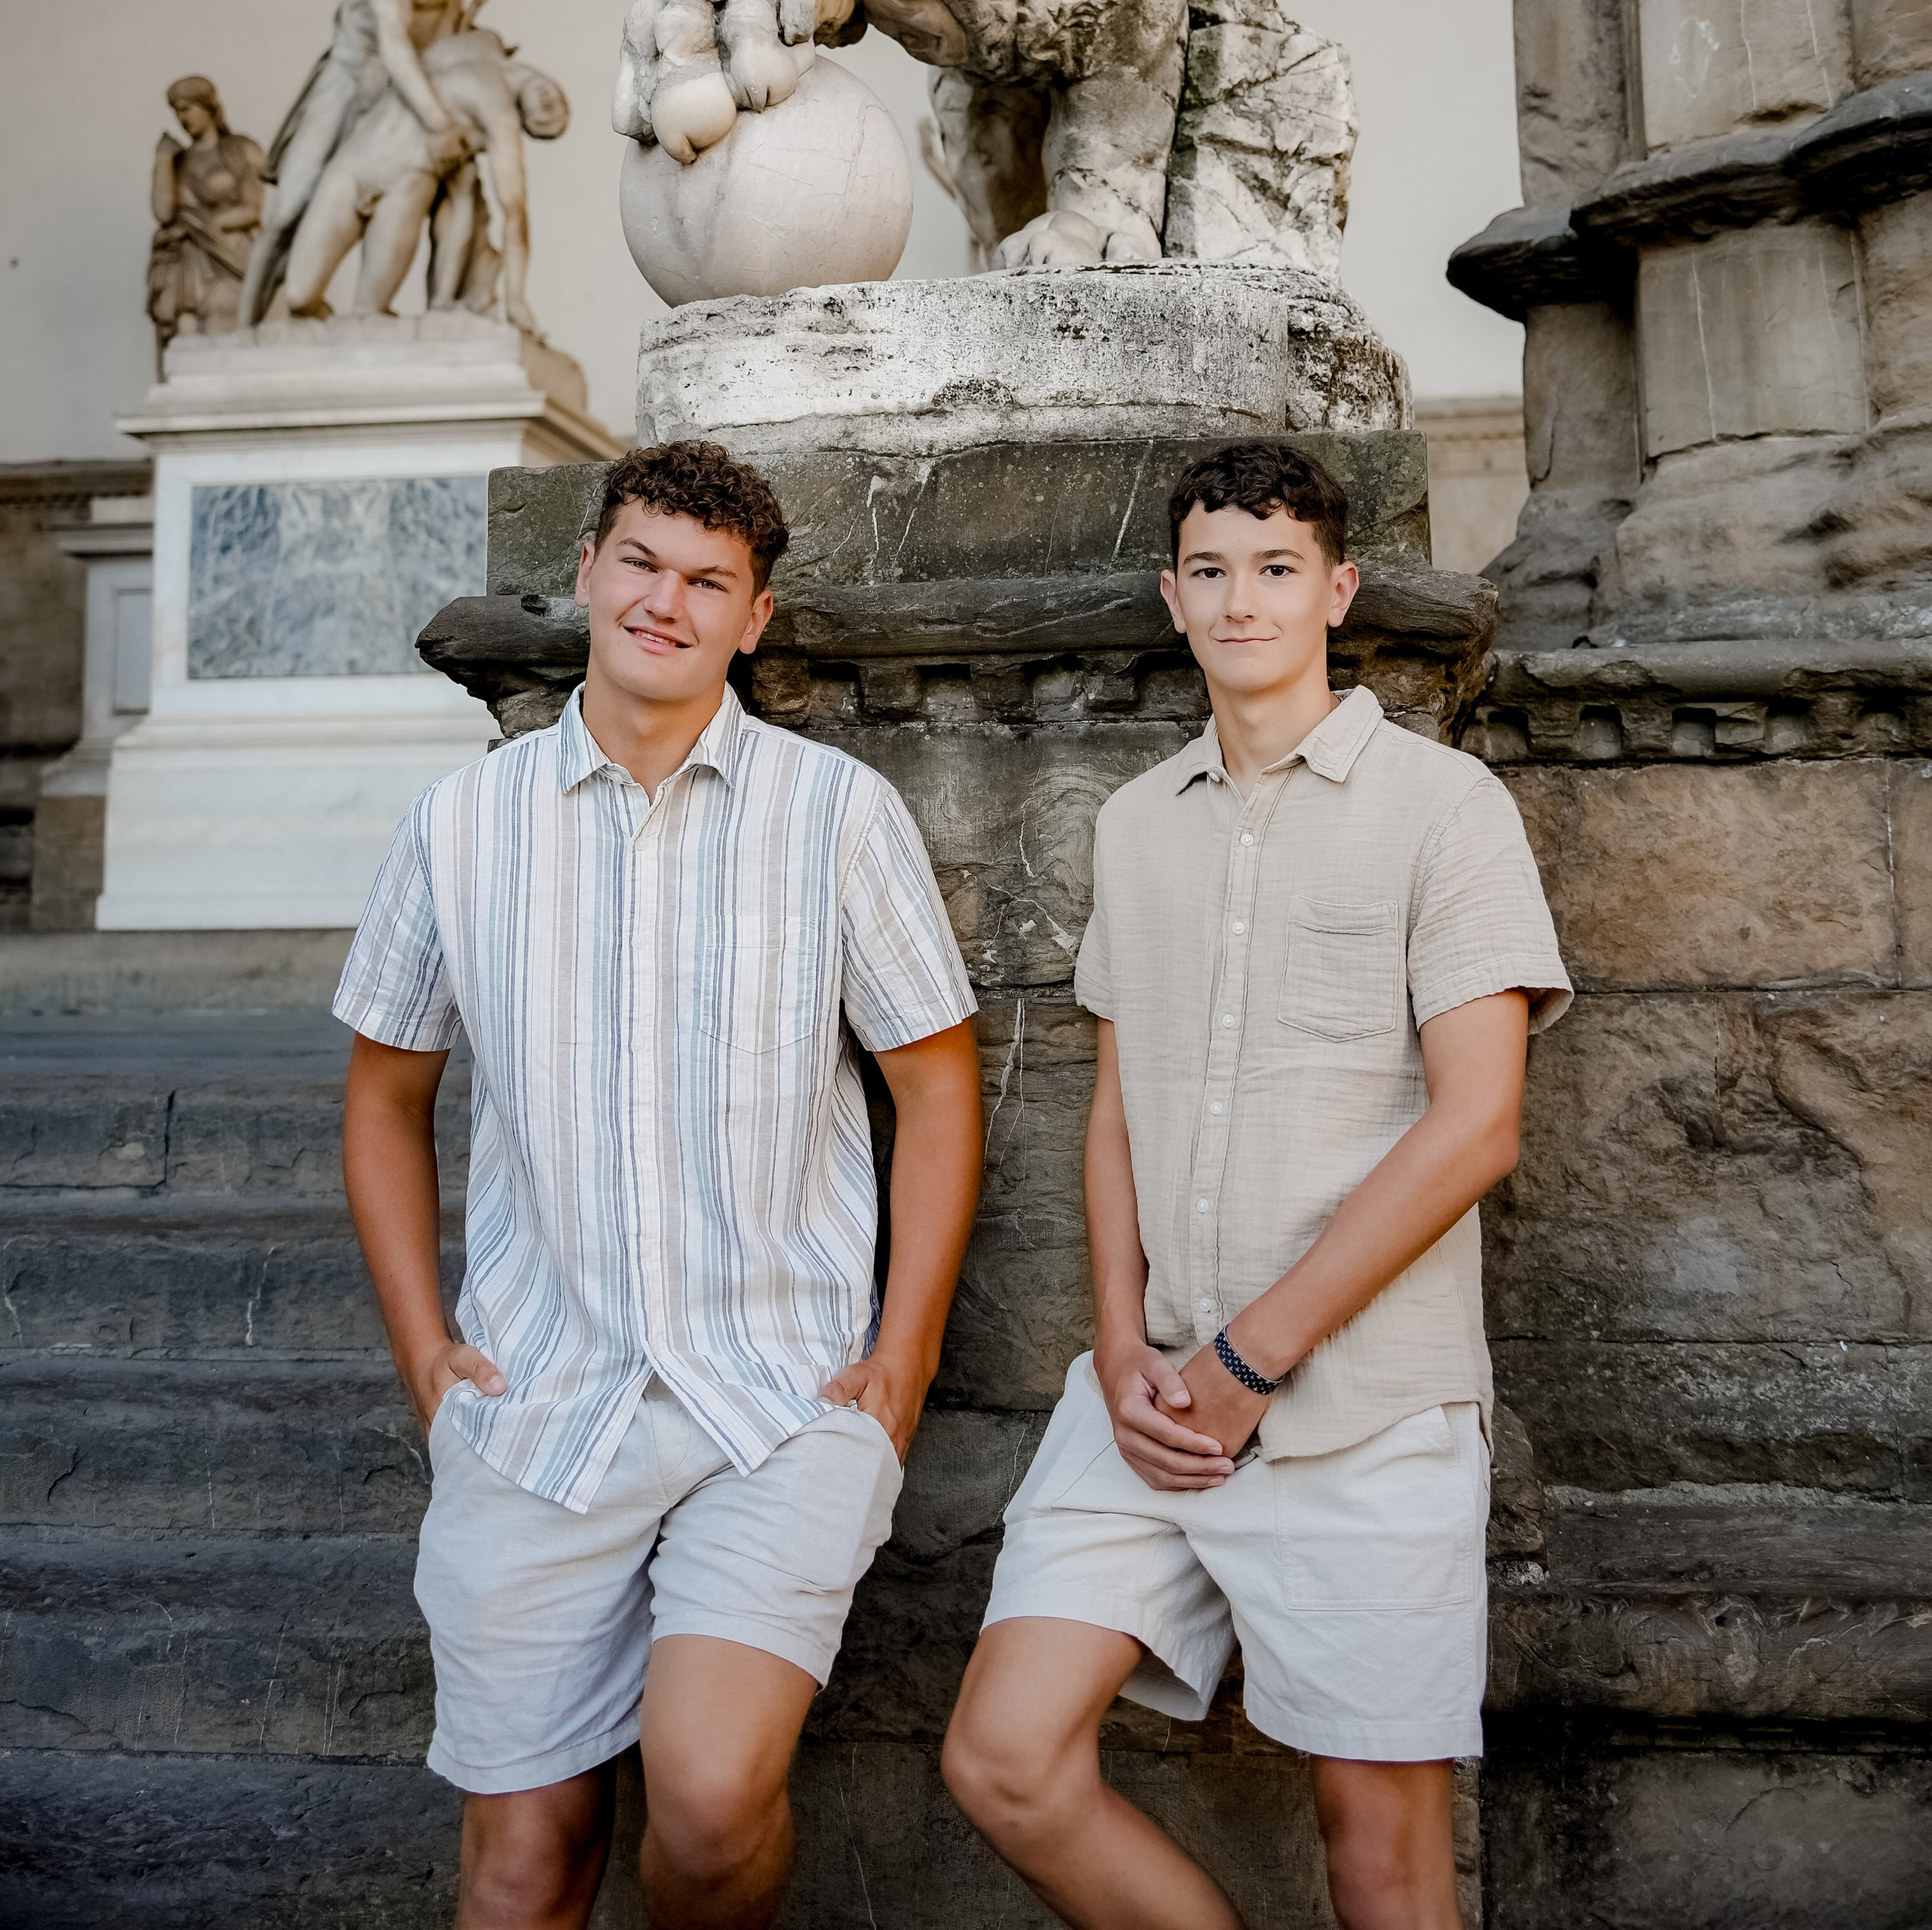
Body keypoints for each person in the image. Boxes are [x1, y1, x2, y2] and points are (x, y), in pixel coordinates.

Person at [337, 439, 983, 1930]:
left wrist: (904, 1353)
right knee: (520, 1869)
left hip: (775, 1402)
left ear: (751, 621)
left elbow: (935, 1086)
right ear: (587, 575)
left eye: (707, 583)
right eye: (640, 563)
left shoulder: (834, 815)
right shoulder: (458, 826)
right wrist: (424, 1355)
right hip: (534, 1399)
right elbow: (383, 1100)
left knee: (701, 1802)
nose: (664, 602)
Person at [943, 438, 1570, 1930]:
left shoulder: (1443, 808)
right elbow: (1115, 1111)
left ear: (1335, 587)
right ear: (1173, 596)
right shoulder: (1130, 824)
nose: (1242, 602)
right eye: (1211, 572)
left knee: (1381, 1857)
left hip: (1365, 1412)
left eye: (1275, 568)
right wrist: (1117, 1338)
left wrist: (1251, 1355)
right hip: (1148, 1395)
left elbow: (1475, 1127)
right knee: (1004, 1760)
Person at [239, 0, 501, 325]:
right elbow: (392, 37)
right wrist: (434, 116)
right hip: (353, 82)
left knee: (460, 182)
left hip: (403, 91)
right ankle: (245, 324)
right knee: (293, 204)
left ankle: (451, 307)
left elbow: (437, 40)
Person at [281, 21, 568, 332]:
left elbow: (514, 212)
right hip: (357, 159)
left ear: (526, 122)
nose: (552, 111)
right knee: (298, 296)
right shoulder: (486, 40)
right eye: (562, 107)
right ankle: (324, 348)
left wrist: (516, 300)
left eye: (546, 124)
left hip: (407, 186)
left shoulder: (500, 121)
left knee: (369, 312)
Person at [146, 74, 264, 362]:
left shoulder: (240, 148)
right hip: (189, 260)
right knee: (187, 337)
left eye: (186, 108)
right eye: (176, 110)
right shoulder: (179, 162)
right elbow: (164, 214)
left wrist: (199, 226)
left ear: (207, 107)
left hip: (232, 253)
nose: (181, 117)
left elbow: (252, 210)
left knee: (229, 334)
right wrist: (163, 160)